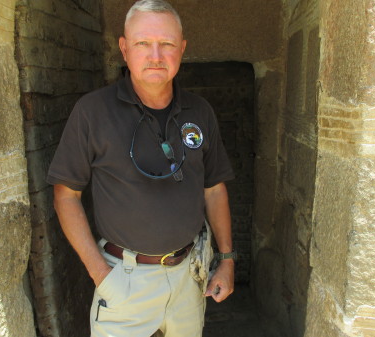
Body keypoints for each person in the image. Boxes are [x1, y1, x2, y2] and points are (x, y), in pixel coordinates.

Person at [47, 1, 235, 336]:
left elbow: (214, 188)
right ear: (123, 48)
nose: (155, 56)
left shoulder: (200, 111)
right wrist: (101, 275)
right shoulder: (92, 112)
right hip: (125, 281)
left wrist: (227, 260)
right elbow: (66, 196)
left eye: (167, 44)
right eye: (142, 43)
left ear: (183, 49)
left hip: (189, 277)